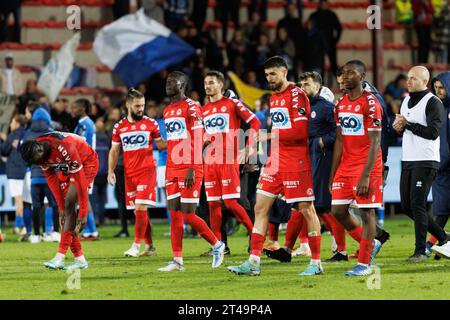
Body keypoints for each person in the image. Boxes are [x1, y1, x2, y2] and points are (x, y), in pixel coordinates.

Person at [228, 56, 323, 276]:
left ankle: (316, 263)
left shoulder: (296, 95)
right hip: (275, 160)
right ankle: (253, 262)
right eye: (267, 75)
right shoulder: (275, 97)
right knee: (260, 207)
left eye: (273, 74)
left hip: (295, 160)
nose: (269, 78)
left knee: (306, 209)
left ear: (284, 72)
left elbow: (300, 132)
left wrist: (269, 135)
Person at [158, 71, 226, 272]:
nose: (168, 84)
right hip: (172, 166)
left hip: (190, 166)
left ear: (182, 84)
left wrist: (191, 167)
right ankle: (177, 260)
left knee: (188, 214)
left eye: (172, 81)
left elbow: (197, 138)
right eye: (167, 81)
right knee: (175, 213)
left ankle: (217, 245)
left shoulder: (192, 106)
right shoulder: (168, 110)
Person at [329, 60, 383, 276]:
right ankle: (370, 243)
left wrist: (366, 175)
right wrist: (333, 174)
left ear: (362, 77)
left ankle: (364, 264)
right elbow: (340, 141)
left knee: (366, 212)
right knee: (338, 212)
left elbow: (376, 140)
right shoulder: (340, 104)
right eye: (343, 73)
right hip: (346, 166)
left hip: (367, 166)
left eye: (350, 73)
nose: (344, 77)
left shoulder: (370, 103)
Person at [393, 66, 450, 261]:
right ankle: (443, 237)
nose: (408, 81)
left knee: (417, 204)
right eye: (408, 78)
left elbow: (433, 133)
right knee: (407, 206)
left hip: (426, 160)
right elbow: (406, 129)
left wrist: (407, 124)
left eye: (413, 78)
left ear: (424, 82)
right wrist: (399, 127)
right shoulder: (406, 100)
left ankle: (420, 250)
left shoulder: (433, 102)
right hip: (408, 159)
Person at [20, 132, 98, 270]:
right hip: (65, 166)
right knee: (66, 213)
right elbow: (51, 179)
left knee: (70, 205)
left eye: (36, 159)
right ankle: (80, 259)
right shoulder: (38, 153)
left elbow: (80, 180)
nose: (38, 163)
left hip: (86, 163)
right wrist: (60, 208)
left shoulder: (64, 146)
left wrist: (83, 212)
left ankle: (60, 257)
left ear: (39, 148)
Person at [202, 71, 259, 251]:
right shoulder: (203, 111)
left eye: (211, 82)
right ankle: (219, 247)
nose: (207, 86)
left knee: (233, 203)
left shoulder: (232, 104)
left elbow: (255, 123)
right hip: (209, 162)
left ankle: (255, 237)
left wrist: (249, 147)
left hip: (229, 159)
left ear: (221, 85)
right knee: (212, 205)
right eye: (205, 83)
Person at [108, 88, 166, 257]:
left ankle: (136, 245)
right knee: (138, 212)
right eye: (137, 106)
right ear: (128, 105)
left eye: (143, 105)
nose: (141, 109)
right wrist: (110, 171)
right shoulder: (119, 127)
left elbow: (161, 145)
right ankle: (150, 247)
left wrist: (179, 140)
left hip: (147, 171)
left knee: (140, 208)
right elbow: (114, 150)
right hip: (129, 174)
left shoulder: (151, 123)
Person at [23, 103, 60, 243]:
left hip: (35, 177)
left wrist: (31, 165)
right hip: (50, 176)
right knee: (54, 204)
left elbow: (24, 154)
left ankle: (36, 235)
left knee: (36, 206)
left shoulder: (28, 134)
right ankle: (55, 233)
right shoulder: (52, 133)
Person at [426, 71, 450, 257]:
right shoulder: (436, 108)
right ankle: (435, 243)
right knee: (441, 208)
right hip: (440, 166)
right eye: (436, 88)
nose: (438, 91)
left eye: (441, 88)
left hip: (444, 164)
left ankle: (432, 244)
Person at [71, 98, 100, 240]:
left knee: (84, 198)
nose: (72, 109)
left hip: (86, 165)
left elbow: (83, 146)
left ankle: (92, 231)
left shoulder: (85, 125)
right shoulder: (83, 124)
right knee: (81, 198)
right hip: (84, 165)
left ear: (82, 109)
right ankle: (89, 231)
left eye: (74, 107)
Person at [0, 114, 28, 236]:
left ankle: (24, 226)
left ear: (17, 123)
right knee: (23, 199)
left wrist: (3, 140)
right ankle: (17, 226)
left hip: (14, 171)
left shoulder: (13, 136)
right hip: (24, 170)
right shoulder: (26, 133)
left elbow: (4, 151)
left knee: (19, 200)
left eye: (12, 122)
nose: (11, 124)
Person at [308, 0, 342, 76]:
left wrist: (335, 40)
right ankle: (321, 85)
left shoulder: (331, 15)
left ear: (327, 4)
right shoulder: (314, 15)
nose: (323, 5)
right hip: (318, 46)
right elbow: (309, 30)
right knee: (320, 66)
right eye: (321, 4)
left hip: (330, 43)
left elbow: (339, 28)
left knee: (333, 65)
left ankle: (340, 83)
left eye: (324, 4)